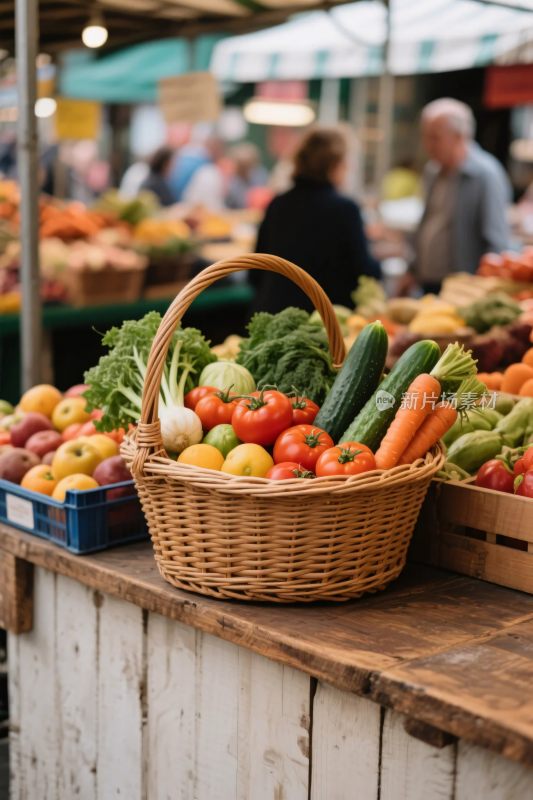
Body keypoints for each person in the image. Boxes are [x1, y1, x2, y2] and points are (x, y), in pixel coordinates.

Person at [251, 127, 380, 314]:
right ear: (334, 165)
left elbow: (256, 270)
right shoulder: (345, 209)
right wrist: (379, 261)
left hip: (271, 314)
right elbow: (364, 272)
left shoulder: (278, 204)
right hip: (323, 322)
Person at [405, 98, 511, 295]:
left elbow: (496, 241)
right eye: (425, 136)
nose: (427, 145)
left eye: (435, 137)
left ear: (459, 137)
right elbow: (426, 222)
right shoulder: (432, 171)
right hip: (427, 282)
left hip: (462, 290)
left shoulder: (485, 175)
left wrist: (482, 291)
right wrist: (412, 268)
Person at [226, 143, 268, 209]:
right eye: (241, 164)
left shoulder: (259, 175)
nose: (243, 167)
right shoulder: (233, 180)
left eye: (246, 164)